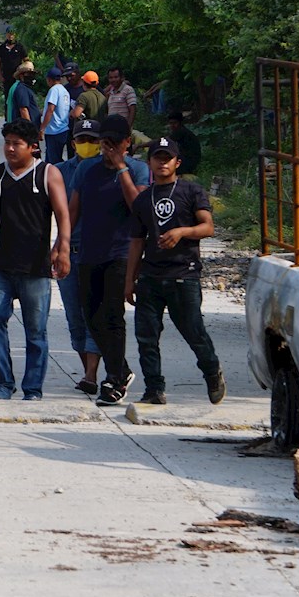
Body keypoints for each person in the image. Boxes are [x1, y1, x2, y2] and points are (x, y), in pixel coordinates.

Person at [0, 119, 71, 400]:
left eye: (17, 144)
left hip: (36, 268)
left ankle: (33, 388)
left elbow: (63, 215)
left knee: (36, 331)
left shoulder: (48, 174)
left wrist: (63, 249)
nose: (10, 149)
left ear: (33, 147)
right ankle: (2, 383)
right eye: (7, 143)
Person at [125, 137, 226, 405]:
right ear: (149, 162)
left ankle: (211, 371)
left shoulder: (191, 191)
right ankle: (154, 389)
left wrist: (182, 232)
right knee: (146, 336)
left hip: (184, 273)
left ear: (177, 162)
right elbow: (136, 241)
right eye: (157, 157)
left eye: (167, 157)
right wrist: (129, 279)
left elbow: (208, 227)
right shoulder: (143, 199)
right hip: (150, 275)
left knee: (193, 331)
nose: (162, 162)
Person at [68, 114, 151, 405]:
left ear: (127, 143)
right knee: (91, 316)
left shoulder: (138, 170)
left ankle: (114, 379)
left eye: (115, 142)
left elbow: (138, 208)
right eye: (105, 142)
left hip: (121, 254)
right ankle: (122, 368)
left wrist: (120, 168)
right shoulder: (86, 170)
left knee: (112, 316)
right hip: (89, 252)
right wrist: (61, 243)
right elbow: (73, 210)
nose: (108, 147)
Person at [56, 119, 103, 394]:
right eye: (82, 139)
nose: (87, 145)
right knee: (75, 319)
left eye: (92, 140)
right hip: (69, 254)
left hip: (99, 254)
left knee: (94, 317)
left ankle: (92, 375)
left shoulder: (110, 171)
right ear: (73, 142)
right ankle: (89, 371)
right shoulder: (59, 173)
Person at [40, 67, 71, 163]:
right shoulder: (64, 91)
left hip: (54, 131)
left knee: (54, 162)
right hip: (63, 128)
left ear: (49, 79)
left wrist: (42, 128)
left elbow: (51, 109)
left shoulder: (54, 90)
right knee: (52, 159)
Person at [9, 61, 40, 126]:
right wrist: (29, 128)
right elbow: (23, 110)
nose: (31, 76)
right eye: (28, 74)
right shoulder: (21, 89)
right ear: (21, 75)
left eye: (32, 74)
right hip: (25, 129)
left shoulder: (26, 88)